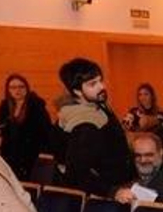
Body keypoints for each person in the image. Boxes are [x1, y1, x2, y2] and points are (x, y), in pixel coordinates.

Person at [55, 58, 135, 199]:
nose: (101, 87)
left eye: (100, 81)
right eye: (93, 84)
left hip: (118, 185)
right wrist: (113, 192)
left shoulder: (97, 105)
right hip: (106, 197)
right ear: (77, 91)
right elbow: (77, 174)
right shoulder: (84, 125)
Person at [0, 73, 53, 180]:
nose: (17, 90)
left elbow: (46, 129)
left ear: (27, 88)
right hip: (11, 153)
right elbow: (1, 125)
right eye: (13, 87)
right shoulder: (5, 105)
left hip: (32, 153)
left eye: (21, 87)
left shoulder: (36, 104)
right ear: (8, 90)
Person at [115, 131, 163, 208]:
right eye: (138, 155)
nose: (143, 160)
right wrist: (117, 192)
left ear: (161, 153)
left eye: (149, 155)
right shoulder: (128, 172)